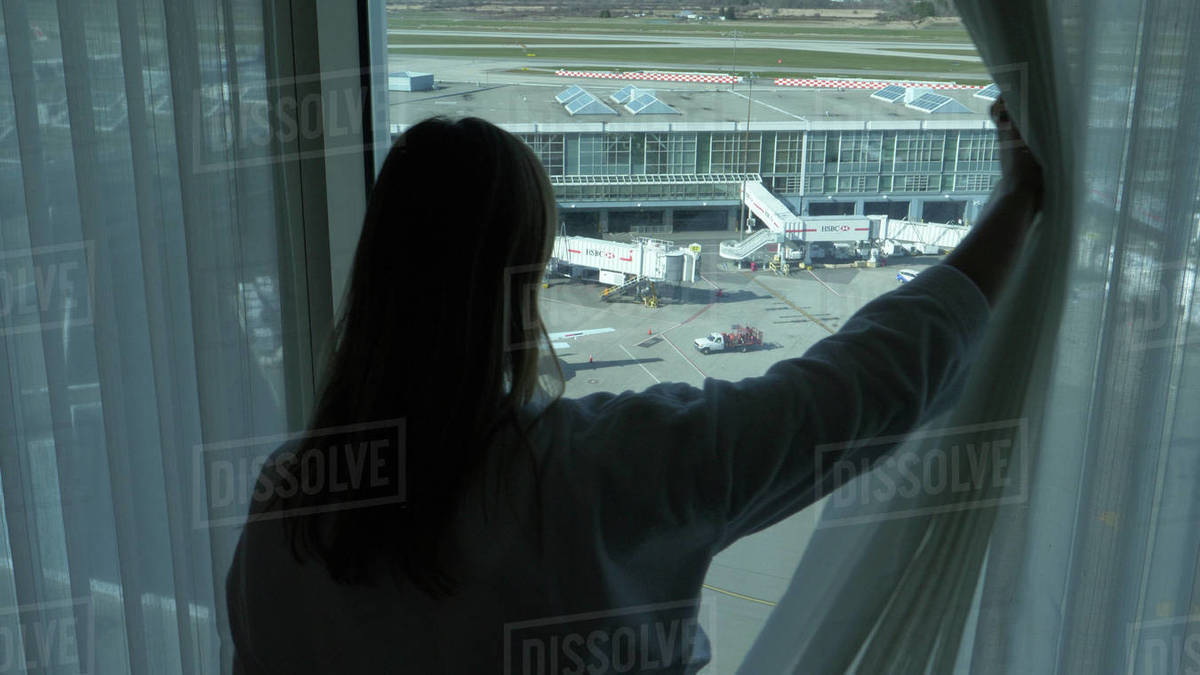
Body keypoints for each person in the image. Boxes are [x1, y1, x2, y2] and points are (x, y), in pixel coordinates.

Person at [226, 101, 1043, 674]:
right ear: (516, 292)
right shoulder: (601, 472)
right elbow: (854, 391)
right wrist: (1016, 202)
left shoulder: (285, 508)